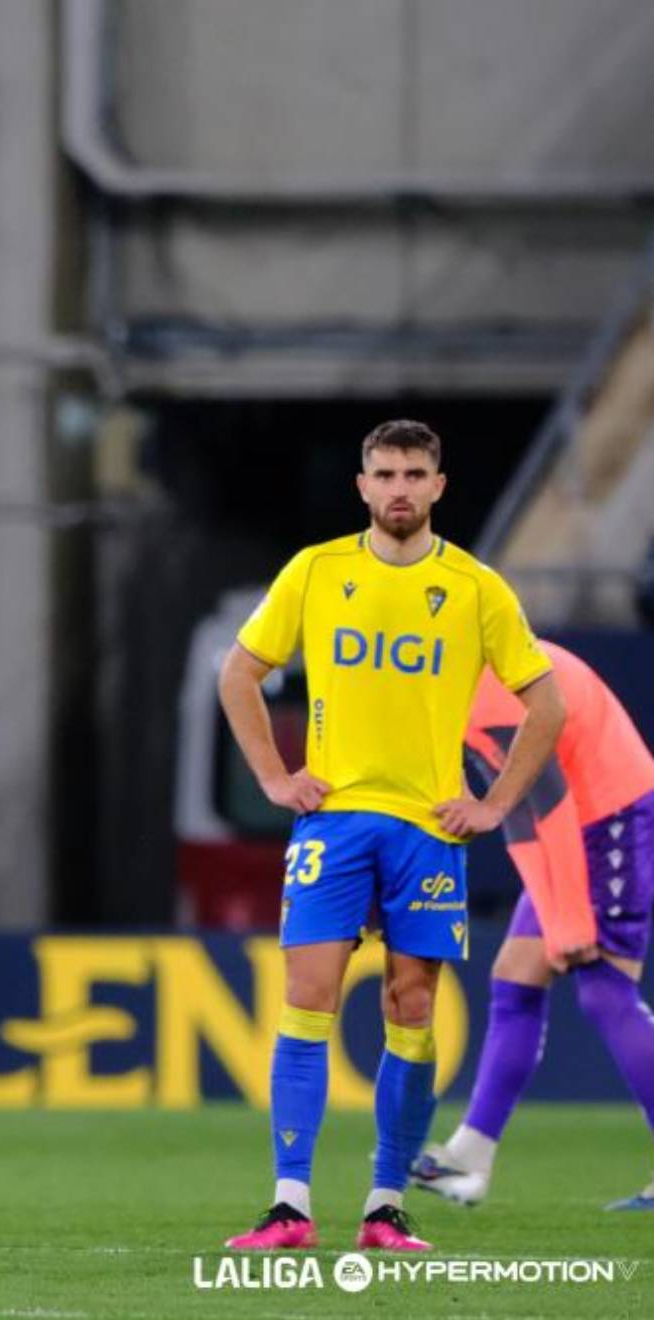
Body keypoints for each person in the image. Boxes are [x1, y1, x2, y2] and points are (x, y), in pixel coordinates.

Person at [217, 420, 565, 1253]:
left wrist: (494, 805)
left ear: (438, 485)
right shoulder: (316, 570)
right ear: (363, 486)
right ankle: (290, 1206)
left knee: (411, 1008)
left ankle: (385, 1207)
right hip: (334, 822)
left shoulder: (476, 587)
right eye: (385, 474)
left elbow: (546, 704)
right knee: (308, 998)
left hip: (426, 829)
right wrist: (274, 779)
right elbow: (239, 672)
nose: (399, 488)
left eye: (414, 474)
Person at [411, 639, 654, 1211]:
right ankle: (471, 1153)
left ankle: (471, 1153)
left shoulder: (491, 689)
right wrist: (556, 908)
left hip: (613, 817)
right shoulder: (465, 673)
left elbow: (546, 803)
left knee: (604, 991)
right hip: (584, 820)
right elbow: (517, 808)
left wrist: (568, 918)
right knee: (515, 978)